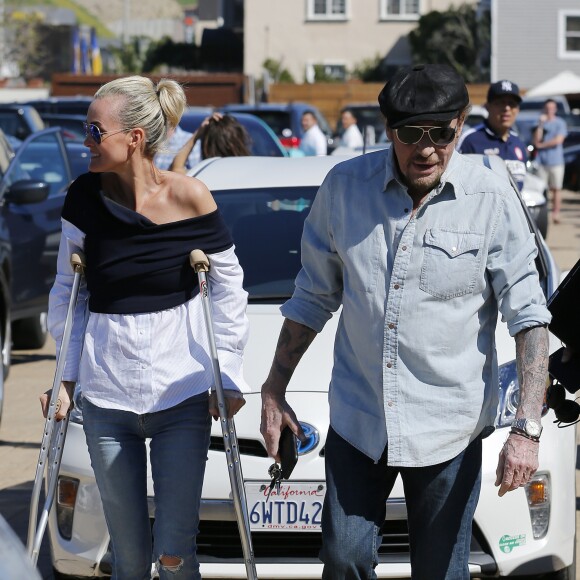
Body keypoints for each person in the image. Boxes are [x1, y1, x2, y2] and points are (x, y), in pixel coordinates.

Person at [260, 63, 551, 579]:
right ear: (388, 128)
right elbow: (312, 297)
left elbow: (529, 318)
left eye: (440, 134)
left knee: (440, 572)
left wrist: (526, 428)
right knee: (345, 559)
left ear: (461, 123)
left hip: (450, 429)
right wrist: (274, 387)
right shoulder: (345, 188)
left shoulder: (490, 197)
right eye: (410, 134)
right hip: (360, 420)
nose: (426, 149)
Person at [40, 75, 250, 580]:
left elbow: (228, 291)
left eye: (95, 131)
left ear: (134, 138)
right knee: (130, 561)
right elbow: (70, 291)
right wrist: (64, 378)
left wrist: (228, 376)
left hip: (180, 394)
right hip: (106, 397)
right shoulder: (83, 199)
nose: (84, 142)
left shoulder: (191, 197)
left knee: (174, 557)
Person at [458, 79, 528, 191]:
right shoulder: (470, 139)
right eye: (500, 103)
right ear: (487, 106)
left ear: (518, 109)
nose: (507, 108)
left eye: (512, 104)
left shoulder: (518, 143)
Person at [168, 113, 251, 174]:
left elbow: (176, 168)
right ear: (239, 143)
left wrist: (197, 134)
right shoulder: (252, 173)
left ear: (206, 147)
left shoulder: (200, 178)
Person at [533, 99, 568, 223]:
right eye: (547, 108)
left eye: (552, 108)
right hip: (541, 161)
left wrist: (542, 146)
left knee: (556, 188)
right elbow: (536, 139)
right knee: (542, 189)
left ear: (555, 109)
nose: (549, 110)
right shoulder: (540, 122)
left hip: (556, 161)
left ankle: (556, 213)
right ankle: (544, 214)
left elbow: (558, 140)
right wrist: (541, 125)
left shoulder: (560, 123)